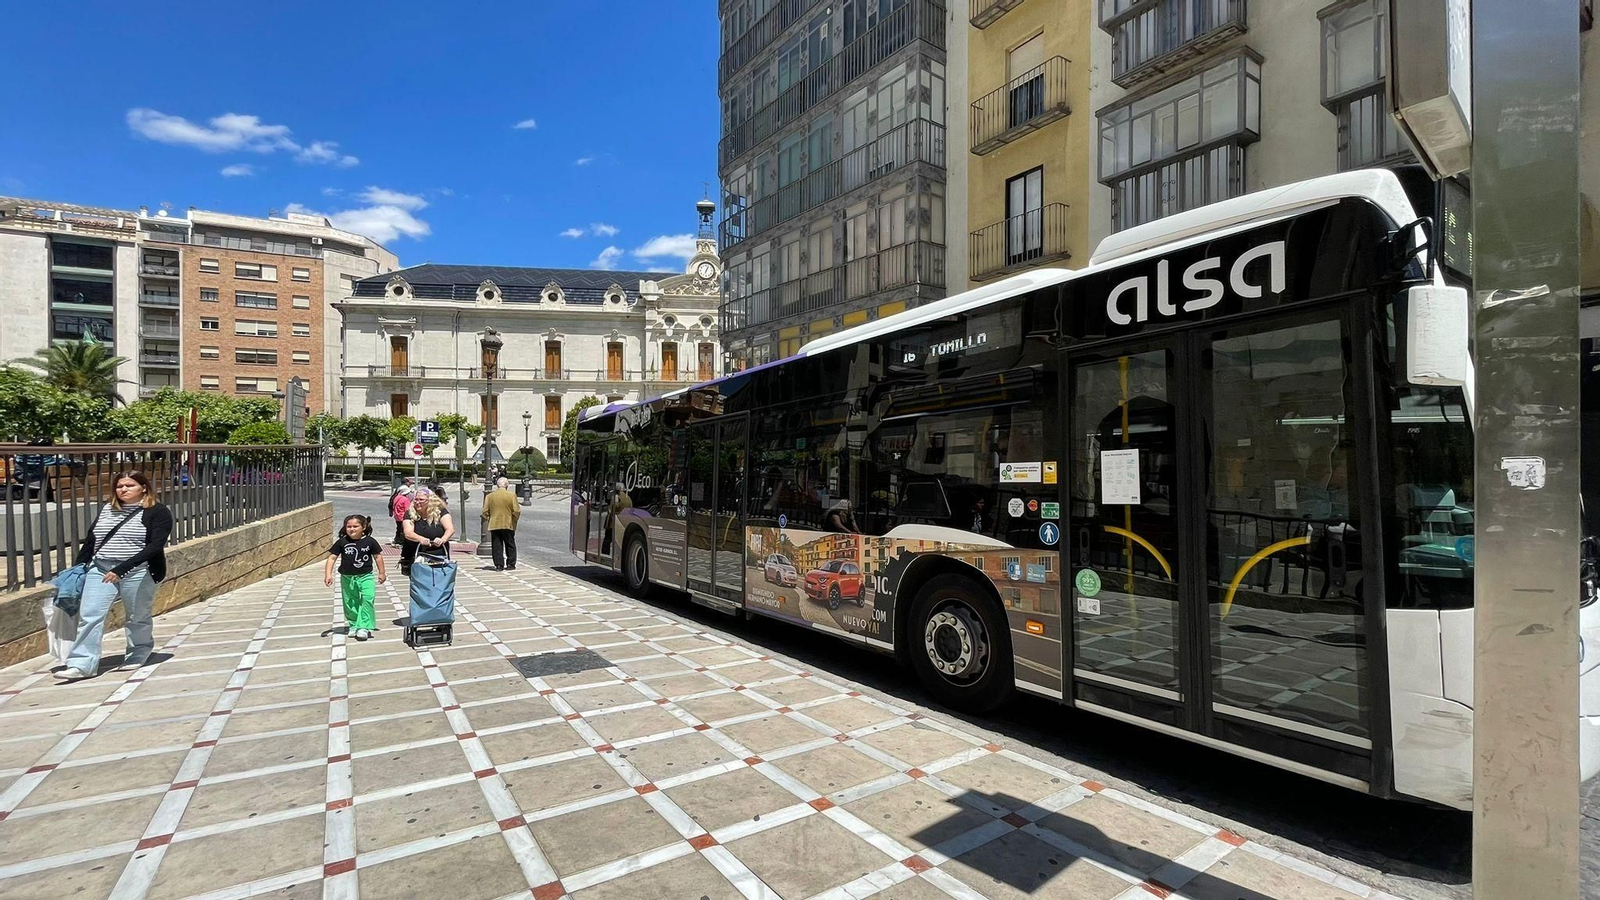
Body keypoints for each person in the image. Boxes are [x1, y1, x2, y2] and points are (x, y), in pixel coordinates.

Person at [62, 472, 174, 679]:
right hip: (101, 568)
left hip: (139, 571)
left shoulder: (157, 512)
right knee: (90, 615)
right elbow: (92, 540)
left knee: (137, 615)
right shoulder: (107, 509)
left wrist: (122, 569)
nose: (123, 489)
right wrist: (78, 567)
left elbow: (156, 546)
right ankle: (82, 664)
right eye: (119, 486)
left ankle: (139, 651)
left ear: (143, 487)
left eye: (129, 485)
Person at [325, 515, 386, 640]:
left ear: (363, 527)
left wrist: (382, 572)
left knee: (368, 598)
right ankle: (353, 624)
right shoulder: (342, 542)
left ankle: (364, 626)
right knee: (350, 602)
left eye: (355, 526)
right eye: (348, 526)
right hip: (347, 577)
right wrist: (328, 574)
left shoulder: (370, 541)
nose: (351, 529)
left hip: (366, 576)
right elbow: (332, 558)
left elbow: (378, 557)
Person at [403, 491, 455, 567]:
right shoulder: (410, 513)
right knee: (419, 577)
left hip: (439, 555)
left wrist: (442, 539)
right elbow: (408, 533)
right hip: (416, 554)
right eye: (416, 499)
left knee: (439, 577)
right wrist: (421, 539)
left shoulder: (440, 512)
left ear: (430, 501)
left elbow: (450, 529)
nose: (417, 502)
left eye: (421, 500)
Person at [481, 476, 521, 571]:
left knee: (497, 545)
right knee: (510, 544)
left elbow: (485, 511)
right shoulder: (511, 495)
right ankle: (511, 564)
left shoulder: (490, 496)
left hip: (494, 523)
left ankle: (499, 565)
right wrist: (514, 519)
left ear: (497, 485)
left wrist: (489, 518)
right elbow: (516, 510)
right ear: (506, 485)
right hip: (508, 523)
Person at [389, 483, 414, 547]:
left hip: (397, 516)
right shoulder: (405, 500)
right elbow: (407, 510)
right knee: (403, 530)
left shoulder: (396, 498)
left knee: (398, 528)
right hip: (403, 517)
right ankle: (401, 542)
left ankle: (397, 540)